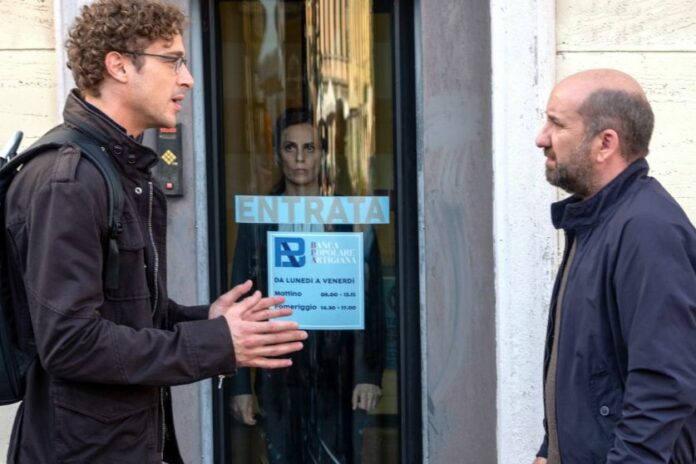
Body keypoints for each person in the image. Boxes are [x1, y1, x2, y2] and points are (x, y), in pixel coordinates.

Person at [2, 0, 308, 462]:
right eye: (173, 60)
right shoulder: (69, 182)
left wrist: (206, 320)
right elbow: (70, 343)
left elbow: (125, 315)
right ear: (119, 66)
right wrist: (218, 342)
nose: (188, 79)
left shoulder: (122, 170)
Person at [533, 68, 696, 463]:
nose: (542, 138)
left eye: (557, 123)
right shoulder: (597, 221)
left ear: (605, 143)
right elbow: (593, 370)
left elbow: (663, 386)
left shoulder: (646, 230)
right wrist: (549, 449)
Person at [229, 107, 385, 463]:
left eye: (310, 148)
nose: (300, 158)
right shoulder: (258, 218)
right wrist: (240, 386)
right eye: (290, 147)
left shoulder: (349, 216)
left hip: (341, 373)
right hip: (276, 372)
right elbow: (240, 302)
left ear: (324, 154)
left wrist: (368, 374)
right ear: (277, 154)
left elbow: (372, 300)